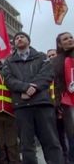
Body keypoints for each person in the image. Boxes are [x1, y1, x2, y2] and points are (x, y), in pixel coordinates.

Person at [2, 32, 63, 163]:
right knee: (26, 145)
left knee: (51, 141)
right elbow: (8, 79)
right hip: (22, 106)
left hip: (42, 103)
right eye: (16, 38)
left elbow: (47, 74)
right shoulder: (8, 61)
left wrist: (33, 88)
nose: (19, 39)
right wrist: (25, 87)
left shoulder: (42, 56)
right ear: (14, 44)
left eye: (22, 37)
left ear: (28, 41)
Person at [53, 32, 74, 163]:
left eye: (71, 37)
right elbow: (54, 84)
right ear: (60, 44)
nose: (70, 40)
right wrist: (56, 103)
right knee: (71, 137)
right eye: (65, 39)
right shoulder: (55, 62)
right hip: (68, 103)